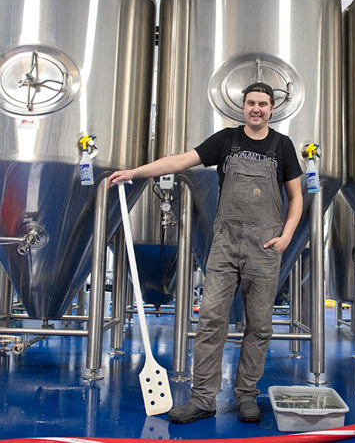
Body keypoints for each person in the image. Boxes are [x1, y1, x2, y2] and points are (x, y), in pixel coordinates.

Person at [108, 81, 303, 424]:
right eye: (251, 103)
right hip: (226, 244)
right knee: (212, 319)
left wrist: (287, 236)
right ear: (243, 107)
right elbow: (182, 160)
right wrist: (137, 173)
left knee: (258, 326)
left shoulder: (282, 145)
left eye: (262, 104)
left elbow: (297, 197)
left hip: (265, 245)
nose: (256, 109)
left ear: (272, 109)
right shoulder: (226, 140)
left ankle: (246, 395)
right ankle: (203, 398)